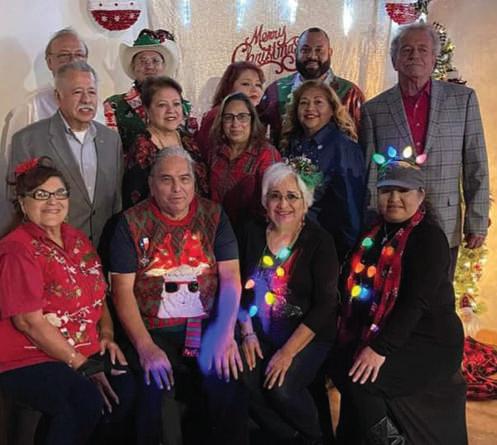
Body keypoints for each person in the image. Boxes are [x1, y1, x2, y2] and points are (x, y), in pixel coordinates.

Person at [110, 147, 248, 445]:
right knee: (156, 390)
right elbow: (121, 291)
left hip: (207, 326)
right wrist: (145, 347)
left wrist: (226, 334)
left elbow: (231, 279)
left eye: (184, 179)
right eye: (166, 179)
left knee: (228, 378)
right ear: (151, 184)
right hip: (153, 330)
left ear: (194, 182)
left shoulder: (214, 215)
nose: (177, 188)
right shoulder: (130, 223)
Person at [0, 157, 134, 445]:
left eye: (60, 193)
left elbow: (99, 295)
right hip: (28, 355)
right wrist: (81, 364)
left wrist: (107, 335)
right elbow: (28, 322)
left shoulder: (77, 239)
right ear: (23, 203)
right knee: (82, 398)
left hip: (82, 349)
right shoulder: (17, 248)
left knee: (126, 388)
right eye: (41, 195)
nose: (53, 201)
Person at [331, 158, 465, 444]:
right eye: (386, 190)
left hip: (428, 339)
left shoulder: (429, 238)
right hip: (385, 328)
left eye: (403, 191)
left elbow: (414, 304)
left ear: (421, 195)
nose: (393, 198)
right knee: (337, 362)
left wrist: (378, 349)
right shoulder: (373, 233)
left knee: (361, 380)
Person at [361, 22, 489, 280]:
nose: (415, 55)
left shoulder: (463, 100)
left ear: (433, 59)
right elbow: (370, 171)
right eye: (407, 50)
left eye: (423, 49)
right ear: (394, 60)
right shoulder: (374, 110)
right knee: (392, 291)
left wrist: (477, 220)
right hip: (393, 221)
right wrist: (373, 220)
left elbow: (476, 163)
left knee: (438, 295)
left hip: (445, 219)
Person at [238, 159, 338, 444]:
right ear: (265, 201)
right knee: (237, 373)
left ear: (305, 203)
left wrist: (287, 353)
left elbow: (325, 306)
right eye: (275, 196)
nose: (283, 204)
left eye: (292, 196)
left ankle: (315, 438)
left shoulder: (320, 241)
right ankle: (290, 437)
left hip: (307, 335)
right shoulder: (250, 232)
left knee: (280, 388)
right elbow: (236, 287)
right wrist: (246, 333)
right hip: (258, 330)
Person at [10, 61, 123, 247]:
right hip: (51, 249)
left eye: (92, 92)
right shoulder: (27, 140)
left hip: (104, 249)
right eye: (77, 92)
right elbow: (15, 201)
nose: (86, 99)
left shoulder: (111, 139)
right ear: (58, 96)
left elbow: (116, 200)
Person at [281, 80, 365, 261]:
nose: (310, 108)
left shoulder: (343, 147)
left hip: (327, 244)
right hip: (292, 242)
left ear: (332, 109)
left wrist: (347, 253)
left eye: (318, 102)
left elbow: (351, 203)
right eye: (304, 103)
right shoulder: (292, 143)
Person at [259, 27, 365, 145]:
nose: (312, 56)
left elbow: (364, 143)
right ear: (296, 52)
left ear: (330, 53)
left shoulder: (350, 93)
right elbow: (256, 137)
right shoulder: (275, 91)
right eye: (305, 50)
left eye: (319, 50)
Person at [104, 28, 193, 156]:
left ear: (163, 67)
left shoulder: (183, 107)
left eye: (155, 61)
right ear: (133, 67)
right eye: (142, 61)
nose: (149, 66)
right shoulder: (114, 105)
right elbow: (110, 154)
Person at [123, 76, 208, 209]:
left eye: (176, 104)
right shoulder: (141, 148)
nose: (171, 110)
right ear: (147, 109)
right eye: (162, 105)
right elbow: (136, 201)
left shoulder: (188, 140)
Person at [208, 92, 280, 231]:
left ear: (252, 120)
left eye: (242, 117)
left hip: (253, 232)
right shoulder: (216, 152)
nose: (235, 123)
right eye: (228, 117)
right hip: (218, 229)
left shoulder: (265, 154)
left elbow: (274, 202)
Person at [195, 61, 265, 158]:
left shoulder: (254, 115)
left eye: (258, 85)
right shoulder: (217, 114)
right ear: (229, 87)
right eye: (246, 84)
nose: (254, 90)